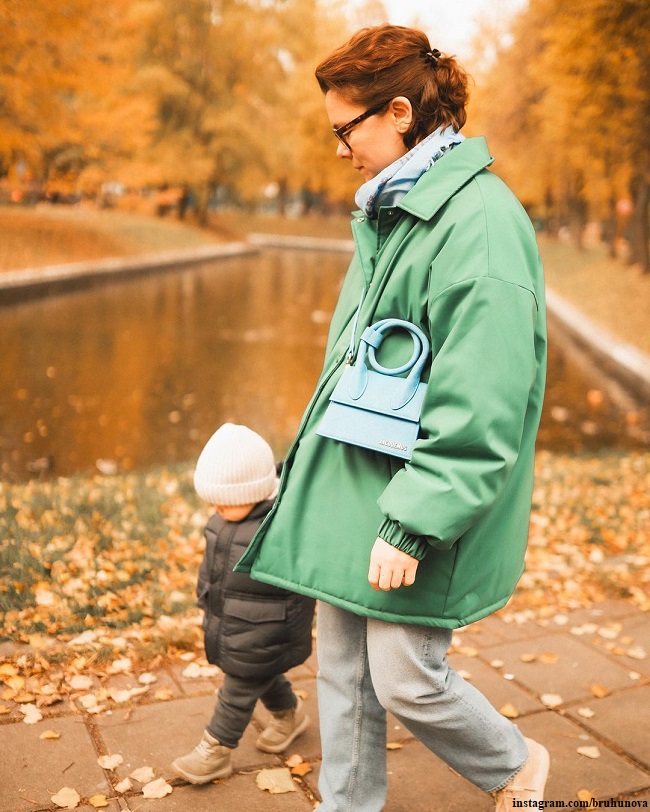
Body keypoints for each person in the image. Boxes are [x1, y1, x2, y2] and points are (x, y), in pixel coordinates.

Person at [237, 23, 549, 812]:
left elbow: (484, 402)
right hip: (356, 485)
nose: (340, 148)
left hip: (410, 500)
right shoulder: (391, 209)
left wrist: (413, 521)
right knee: (343, 675)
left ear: (401, 112)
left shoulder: (474, 223)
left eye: (347, 129)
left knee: (407, 677)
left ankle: (517, 770)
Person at [171, 423, 315, 784]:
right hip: (232, 617)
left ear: (256, 491)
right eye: (213, 501)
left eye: (226, 501)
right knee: (259, 675)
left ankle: (215, 751)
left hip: (269, 625)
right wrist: (206, 597)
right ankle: (290, 715)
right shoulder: (224, 518)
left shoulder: (280, 526)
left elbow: (303, 578)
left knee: (238, 687)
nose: (217, 508)